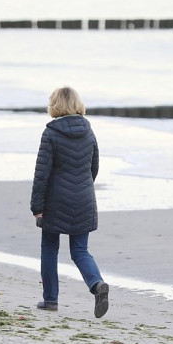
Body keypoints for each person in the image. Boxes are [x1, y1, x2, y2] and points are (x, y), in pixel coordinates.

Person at [30, 87, 109, 318]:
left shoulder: (50, 133)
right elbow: (93, 167)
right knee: (80, 250)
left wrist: (37, 206)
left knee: (49, 249)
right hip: (84, 198)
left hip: (55, 201)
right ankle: (97, 285)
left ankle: (50, 300)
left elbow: (41, 173)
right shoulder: (88, 131)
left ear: (54, 105)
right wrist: (83, 188)